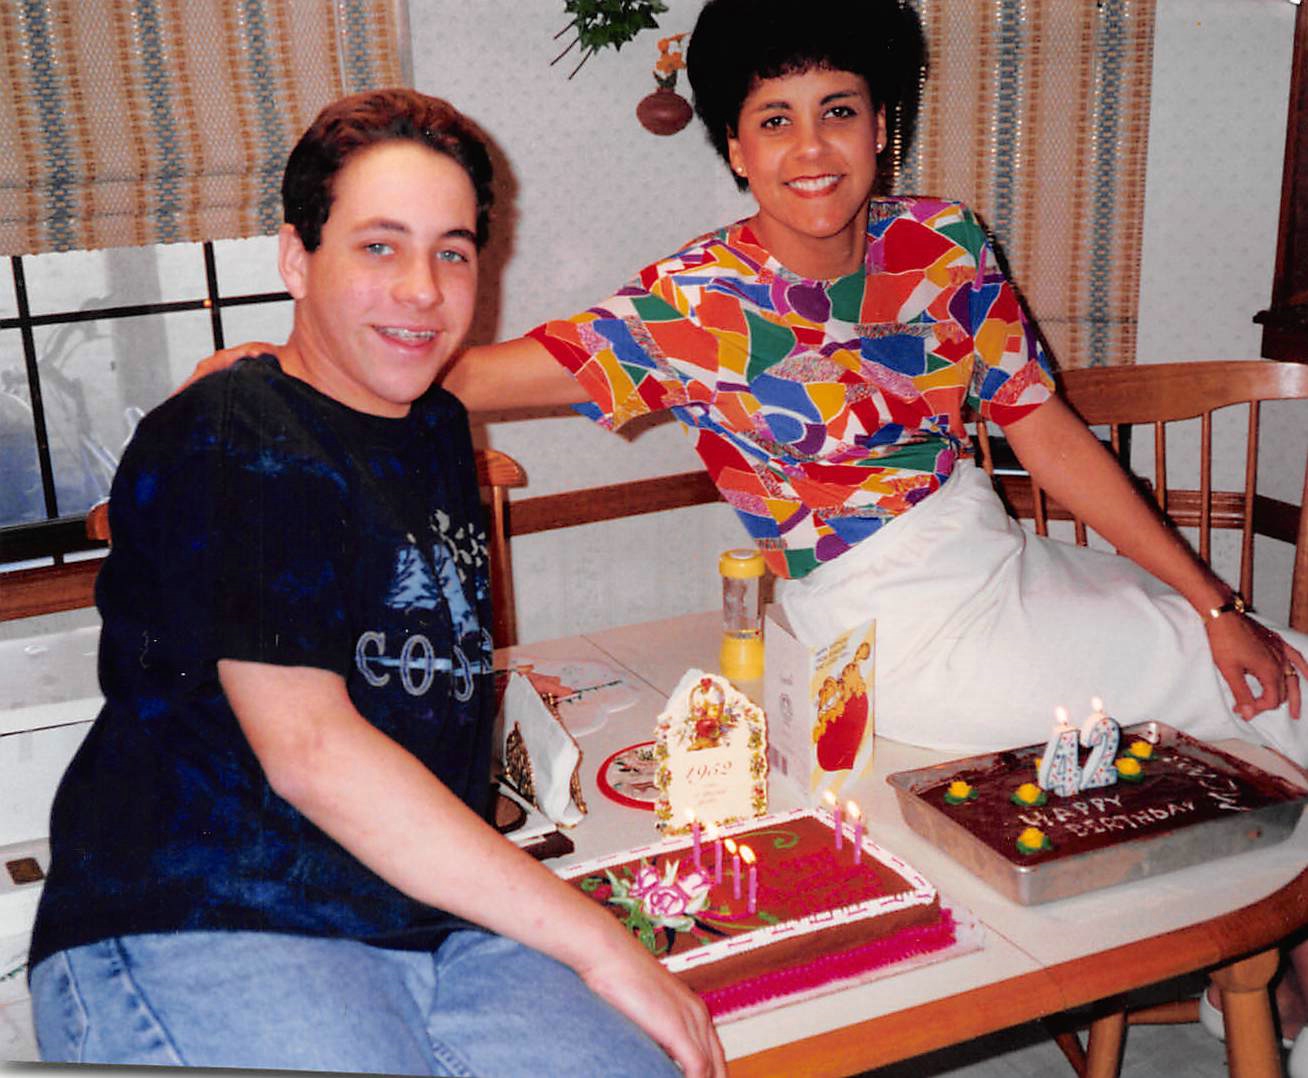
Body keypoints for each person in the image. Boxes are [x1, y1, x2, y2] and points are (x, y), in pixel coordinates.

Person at [192, 0, 1308, 1054]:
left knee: (1258, 670)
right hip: (901, 633)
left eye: (838, 110)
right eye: (774, 119)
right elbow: (465, 371)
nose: (809, 147)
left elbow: (1048, 434)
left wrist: (1212, 601)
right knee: (1277, 690)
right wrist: (289, 366)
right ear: (734, 144)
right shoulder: (697, 302)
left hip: (996, 555)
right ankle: (1271, 984)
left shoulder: (947, 244)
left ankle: (1267, 970)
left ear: (882, 125)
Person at [27, 88, 724, 1078]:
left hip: (423, 915)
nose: (421, 289)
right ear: (295, 259)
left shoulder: (432, 425)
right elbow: (312, 750)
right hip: (213, 907)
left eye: (452, 252)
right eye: (378, 246)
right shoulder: (234, 428)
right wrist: (601, 940)